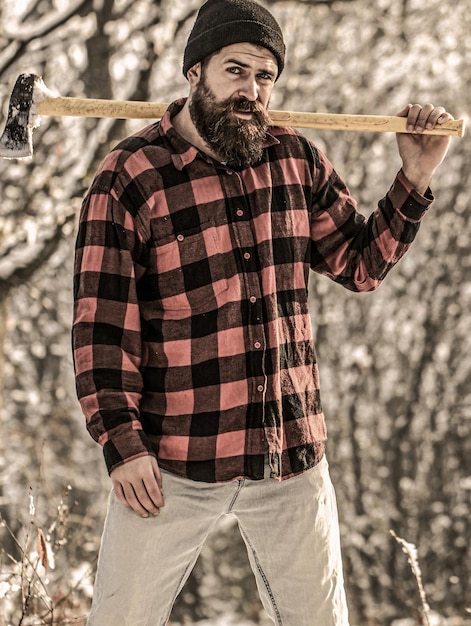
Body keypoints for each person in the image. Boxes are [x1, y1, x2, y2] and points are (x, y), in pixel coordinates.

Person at [72, 0, 453, 624]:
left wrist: (413, 178)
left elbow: (359, 265)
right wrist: (122, 443)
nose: (251, 90)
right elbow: (101, 324)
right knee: (121, 617)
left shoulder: (295, 159)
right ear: (195, 72)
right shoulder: (130, 177)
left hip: (290, 456)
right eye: (235, 71)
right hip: (173, 460)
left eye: (264, 76)